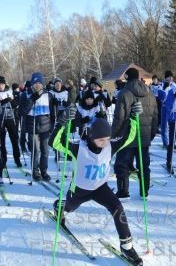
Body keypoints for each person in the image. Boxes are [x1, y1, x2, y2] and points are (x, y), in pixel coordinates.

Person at [49, 106, 143, 265]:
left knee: (117, 207)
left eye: (107, 139)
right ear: (92, 137)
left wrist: (134, 118)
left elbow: (129, 138)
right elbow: (54, 142)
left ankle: (127, 246)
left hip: (100, 188)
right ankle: (59, 206)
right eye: (101, 140)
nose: (104, 143)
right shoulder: (78, 148)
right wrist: (61, 123)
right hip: (79, 190)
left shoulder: (110, 146)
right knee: (70, 207)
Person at [112, 68, 158, 199]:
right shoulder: (150, 93)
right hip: (144, 136)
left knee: (122, 164)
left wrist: (114, 135)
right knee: (143, 165)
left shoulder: (124, 93)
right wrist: (151, 134)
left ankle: (123, 191)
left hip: (127, 136)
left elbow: (119, 118)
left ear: (127, 78)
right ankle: (144, 192)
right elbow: (155, 116)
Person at [19, 72, 54, 181]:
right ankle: (35, 172)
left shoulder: (48, 95)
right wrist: (31, 100)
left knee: (45, 151)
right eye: (35, 83)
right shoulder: (25, 95)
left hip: (45, 126)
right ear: (32, 84)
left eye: (39, 82)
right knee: (35, 150)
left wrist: (52, 125)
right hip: (32, 126)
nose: (37, 85)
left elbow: (53, 113)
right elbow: (22, 111)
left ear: (42, 84)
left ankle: (44, 171)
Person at [0, 76, 22, 168]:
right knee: (1, 141)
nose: (0, 86)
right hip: (0, 119)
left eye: (2, 84)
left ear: (4, 84)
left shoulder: (10, 92)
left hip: (11, 118)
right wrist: (4, 100)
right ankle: (3, 160)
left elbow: (16, 104)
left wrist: (11, 101)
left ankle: (17, 159)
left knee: (14, 139)